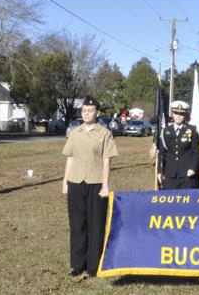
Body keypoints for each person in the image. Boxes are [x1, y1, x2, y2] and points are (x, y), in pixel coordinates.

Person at [61, 96, 118, 281]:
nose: (86, 113)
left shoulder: (104, 133)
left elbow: (107, 160)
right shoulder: (75, 132)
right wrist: (65, 181)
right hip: (76, 182)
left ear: (97, 113)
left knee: (96, 225)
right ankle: (77, 265)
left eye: (90, 111)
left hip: (95, 184)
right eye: (84, 111)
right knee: (77, 225)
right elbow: (70, 157)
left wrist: (105, 184)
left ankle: (94, 266)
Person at [157, 101, 199, 190]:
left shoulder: (191, 130)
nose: (178, 116)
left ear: (185, 115)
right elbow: (162, 154)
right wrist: (159, 171)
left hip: (187, 174)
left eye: (181, 114)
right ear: (172, 114)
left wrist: (192, 168)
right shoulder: (165, 131)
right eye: (176, 113)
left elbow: (197, 152)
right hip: (170, 174)